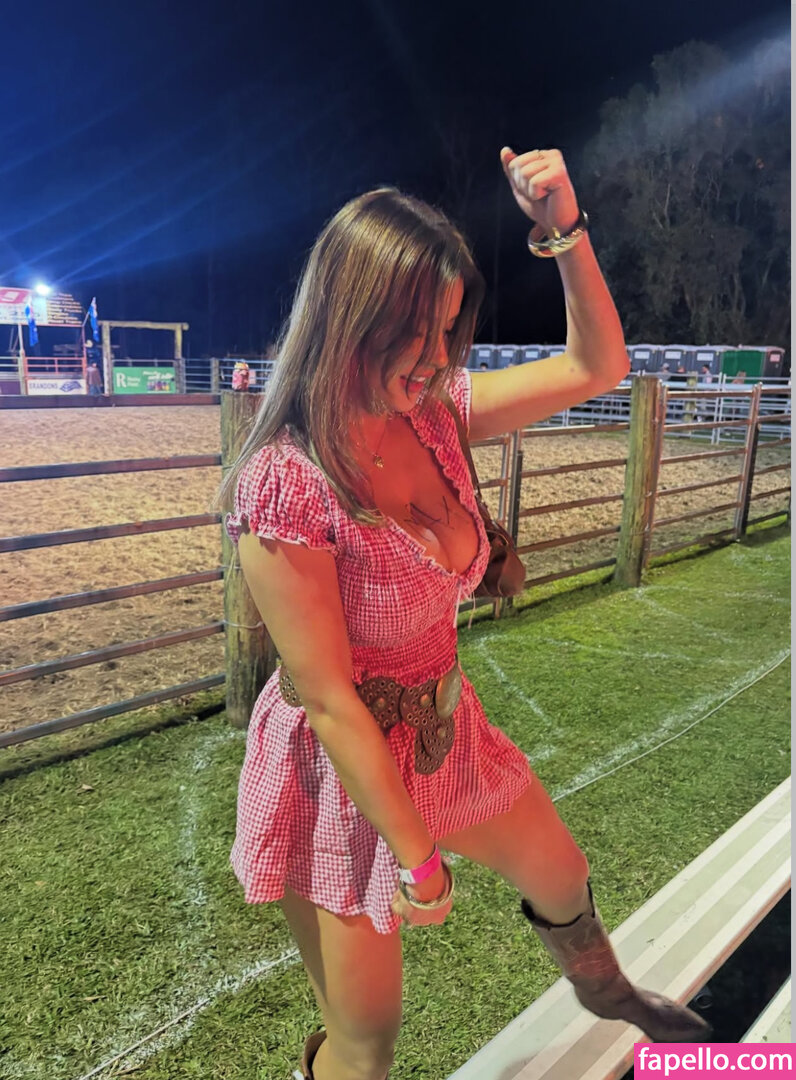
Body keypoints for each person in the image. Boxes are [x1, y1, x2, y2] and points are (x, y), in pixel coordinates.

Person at [215, 147, 709, 1080]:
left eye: (448, 329)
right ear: (348, 316)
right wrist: (418, 856)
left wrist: (564, 231)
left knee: (562, 874)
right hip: (342, 775)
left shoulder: (434, 412)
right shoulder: (285, 481)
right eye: (414, 332)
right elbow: (328, 699)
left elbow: (598, 364)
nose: (438, 358)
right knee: (368, 1040)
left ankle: (611, 994)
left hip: (447, 730)